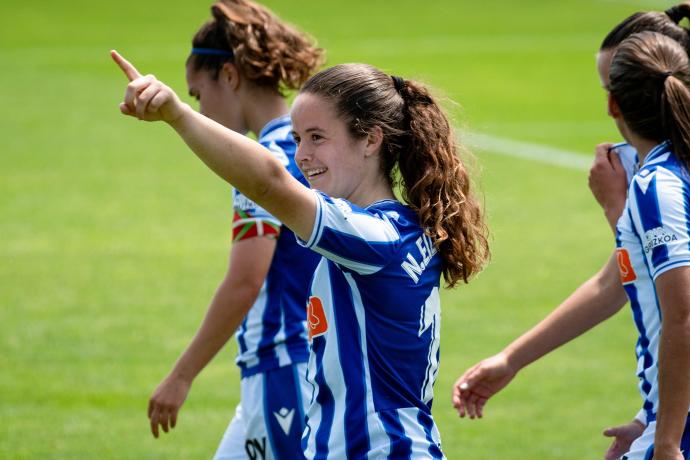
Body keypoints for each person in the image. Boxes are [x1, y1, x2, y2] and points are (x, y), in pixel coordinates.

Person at [111, 46, 490, 457]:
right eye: (296, 139)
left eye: (317, 138)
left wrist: (179, 115)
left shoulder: (376, 239)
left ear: (370, 140)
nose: (302, 156)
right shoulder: (397, 231)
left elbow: (269, 183)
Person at [455, 30, 690, 460]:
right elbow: (614, 283)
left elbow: (682, 314)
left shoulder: (656, 185)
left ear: (614, 102)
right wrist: (647, 418)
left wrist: (667, 442)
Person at [142, 2, 323, 459]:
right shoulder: (313, 149)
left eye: (198, 94)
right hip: (312, 361)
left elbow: (245, 280)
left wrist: (181, 374)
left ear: (229, 75)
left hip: (282, 367)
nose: (201, 109)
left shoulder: (262, 164)